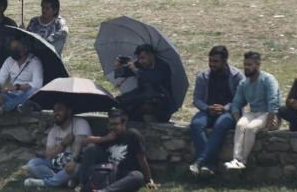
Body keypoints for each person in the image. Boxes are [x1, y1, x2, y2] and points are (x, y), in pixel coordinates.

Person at [71, 108, 157, 192]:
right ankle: (81, 184)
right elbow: (86, 141)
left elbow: (142, 159)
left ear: (124, 122)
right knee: (91, 148)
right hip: (106, 170)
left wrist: (149, 179)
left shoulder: (133, 135)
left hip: (123, 173)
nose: (112, 127)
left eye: (115, 124)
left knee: (138, 176)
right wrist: (105, 138)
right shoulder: (108, 133)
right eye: (110, 124)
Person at [188, 45, 244, 176]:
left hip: (229, 112)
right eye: (210, 61)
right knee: (196, 124)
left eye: (215, 61)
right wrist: (207, 108)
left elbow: (241, 99)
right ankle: (209, 165)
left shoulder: (236, 76)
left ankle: (200, 162)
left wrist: (225, 108)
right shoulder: (203, 76)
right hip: (208, 110)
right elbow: (197, 99)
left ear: (225, 61)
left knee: (220, 125)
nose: (212, 64)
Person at [221, 52, 280, 171]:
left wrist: (270, 123)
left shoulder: (268, 79)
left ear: (258, 65)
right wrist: (238, 119)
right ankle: (236, 159)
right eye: (245, 64)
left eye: (249, 65)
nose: (246, 67)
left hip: (267, 113)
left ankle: (243, 161)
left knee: (250, 128)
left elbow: (273, 101)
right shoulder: (244, 83)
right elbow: (236, 103)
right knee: (240, 125)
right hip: (253, 113)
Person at [25, 101, 92, 189]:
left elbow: (79, 142)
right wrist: (63, 144)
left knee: (76, 168)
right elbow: (49, 155)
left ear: (69, 111)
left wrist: (73, 161)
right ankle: (62, 181)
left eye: (59, 109)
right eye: (54, 110)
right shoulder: (54, 130)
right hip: (57, 163)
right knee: (32, 164)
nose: (56, 113)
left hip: (76, 162)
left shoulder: (80, 123)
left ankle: (45, 183)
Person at [112, 44, 176, 123]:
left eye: (143, 58)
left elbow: (154, 79)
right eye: (139, 58)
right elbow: (124, 73)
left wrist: (136, 70)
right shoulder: (140, 64)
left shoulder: (163, 66)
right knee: (119, 101)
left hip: (160, 99)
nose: (140, 61)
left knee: (144, 106)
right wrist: (118, 68)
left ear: (151, 56)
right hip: (143, 94)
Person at [0, 34, 44, 113]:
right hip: (11, 96)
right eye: (11, 48)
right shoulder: (9, 60)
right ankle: (16, 107)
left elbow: (37, 85)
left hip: (25, 95)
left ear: (25, 49)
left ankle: (3, 108)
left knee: (33, 91)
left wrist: (17, 87)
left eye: (16, 48)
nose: (12, 50)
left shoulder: (35, 62)